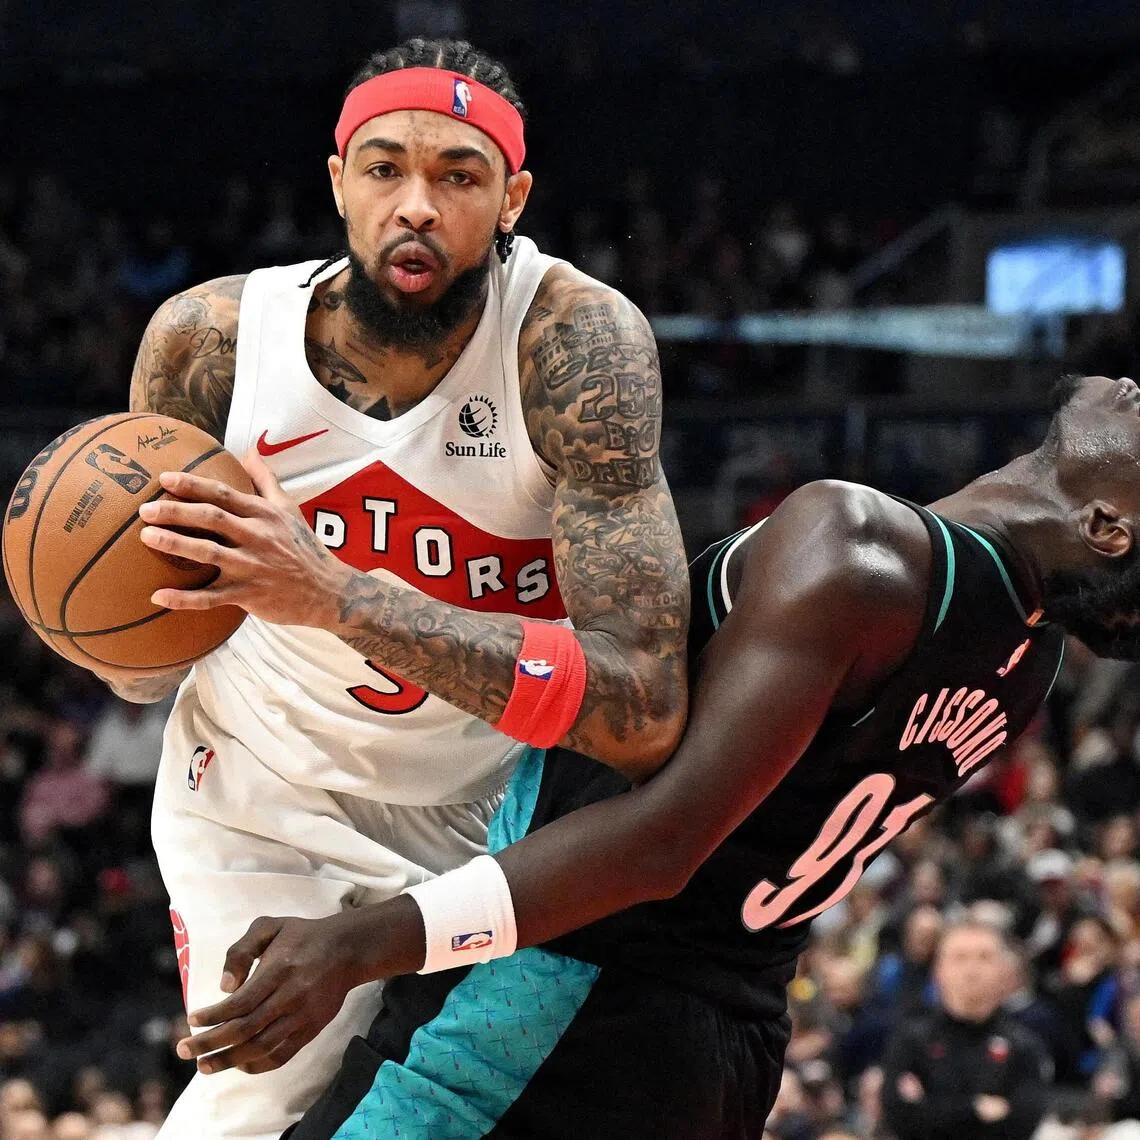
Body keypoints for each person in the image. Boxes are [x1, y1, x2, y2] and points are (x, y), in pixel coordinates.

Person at [171, 373, 1140, 1137]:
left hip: (563, 1010)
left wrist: (361, 941)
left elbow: (664, 843)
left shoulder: (858, 545)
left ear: (1107, 528)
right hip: (723, 1054)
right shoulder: (1025, 659)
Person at [97, 37, 689, 1140]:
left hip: (484, 811)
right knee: (269, 1101)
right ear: (337, 183)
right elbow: (138, 663)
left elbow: (644, 709)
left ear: (512, 196)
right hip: (258, 789)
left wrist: (338, 594)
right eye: (384, 170)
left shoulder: (572, 346)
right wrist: (108, 634)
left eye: (458, 177)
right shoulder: (212, 344)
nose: (416, 205)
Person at [881, 920, 1051, 1140]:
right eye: (960, 958)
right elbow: (902, 1117)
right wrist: (974, 1109)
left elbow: (1023, 1121)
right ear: (938, 970)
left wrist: (934, 1107)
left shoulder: (1023, 1045)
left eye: (985, 958)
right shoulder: (911, 1041)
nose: (972, 970)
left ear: (1003, 971)